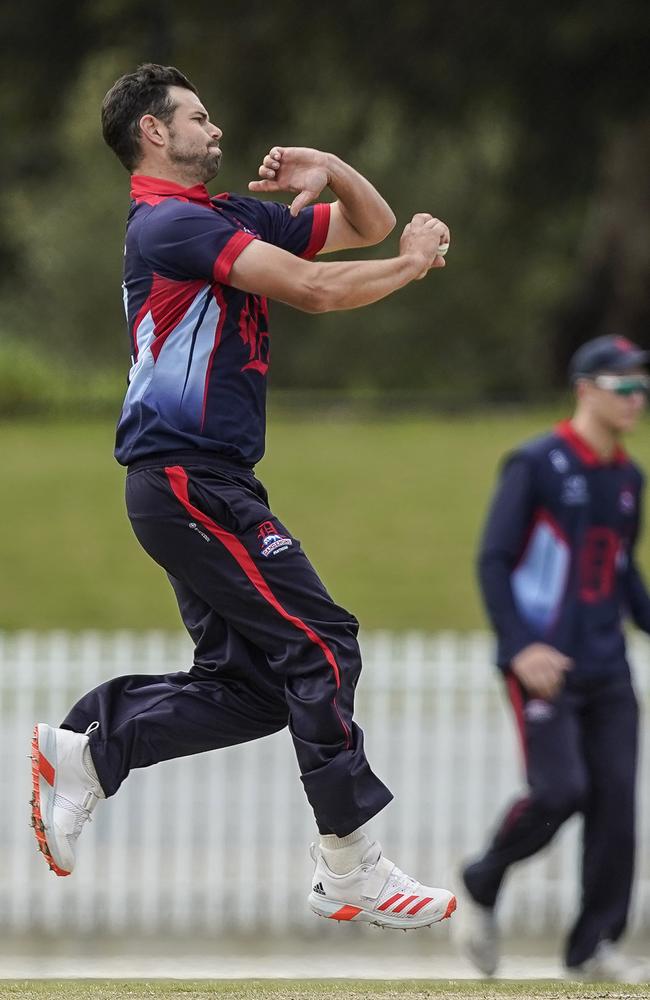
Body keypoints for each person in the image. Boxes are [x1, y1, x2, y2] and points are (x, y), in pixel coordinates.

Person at [30, 63, 456, 930]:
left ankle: (91, 751)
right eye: (197, 116)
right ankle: (351, 867)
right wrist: (409, 268)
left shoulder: (221, 216)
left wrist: (332, 169)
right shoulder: (170, 224)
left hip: (198, 483)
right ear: (155, 133)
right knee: (324, 643)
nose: (215, 127)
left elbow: (362, 227)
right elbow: (317, 289)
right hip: (190, 479)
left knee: (260, 689)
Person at [461, 335, 650, 981]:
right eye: (624, 387)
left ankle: (591, 949)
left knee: (617, 807)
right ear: (586, 389)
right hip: (544, 665)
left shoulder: (628, 479)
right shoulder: (536, 464)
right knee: (561, 791)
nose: (636, 399)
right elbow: (493, 560)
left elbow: (621, 574)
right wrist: (519, 647)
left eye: (642, 388)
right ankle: (483, 880)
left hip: (608, 670)